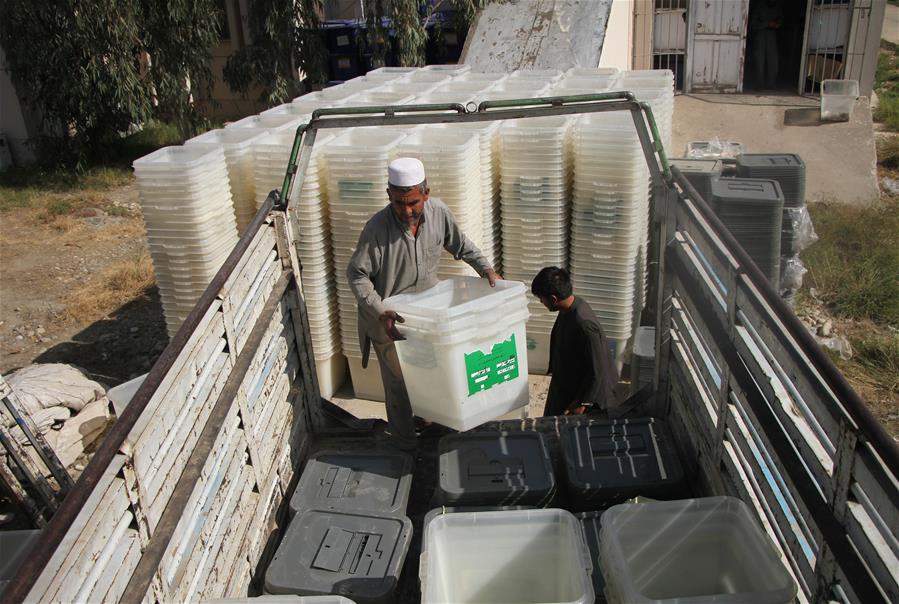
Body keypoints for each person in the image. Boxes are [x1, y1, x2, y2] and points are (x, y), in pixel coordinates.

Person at [347, 157, 500, 450]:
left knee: (433, 373)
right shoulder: (377, 229)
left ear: (426, 194)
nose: (406, 211)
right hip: (389, 321)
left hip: (426, 316)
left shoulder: (439, 213)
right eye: (399, 203)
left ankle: (430, 425)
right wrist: (380, 310)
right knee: (399, 385)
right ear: (389, 194)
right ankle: (405, 446)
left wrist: (486, 269)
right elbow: (356, 275)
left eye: (413, 203)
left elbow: (461, 244)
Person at [531, 266, 619, 416]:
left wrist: (582, 402)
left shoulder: (584, 323)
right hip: (566, 385)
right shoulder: (567, 309)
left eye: (542, 299)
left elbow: (599, 369)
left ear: (553, 299)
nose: (541, 302)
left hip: (585, 398)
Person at [749, 0, 783, 90]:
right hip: (760, 34)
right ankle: (759, 84)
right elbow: (753, 24)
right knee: (759, 60)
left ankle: (771, 84)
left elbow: (781, 19)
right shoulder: (759, 7)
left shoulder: (777, 7)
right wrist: (767, 23)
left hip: (772, 35)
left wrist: (777, 24)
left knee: (773, 60)